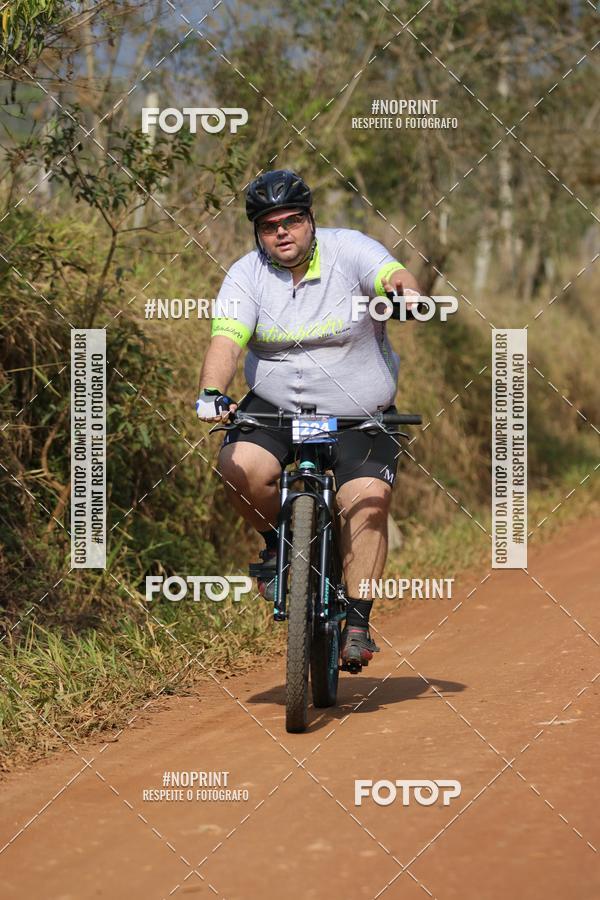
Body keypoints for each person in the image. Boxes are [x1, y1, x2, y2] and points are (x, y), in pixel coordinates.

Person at [196, 169, 421, 667]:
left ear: (311, 220)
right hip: (277, 407)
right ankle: (278, 546)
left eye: (292, 220)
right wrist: (213, 390)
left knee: (368, 501)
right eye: (269, 224)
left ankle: (358, 621)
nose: (282, 232)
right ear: (258, 231)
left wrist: (406, 294)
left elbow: (393, 275)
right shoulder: (245, 274)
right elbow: (226, 341)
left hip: (358, 413)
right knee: (237, 465)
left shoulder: (350, 249)